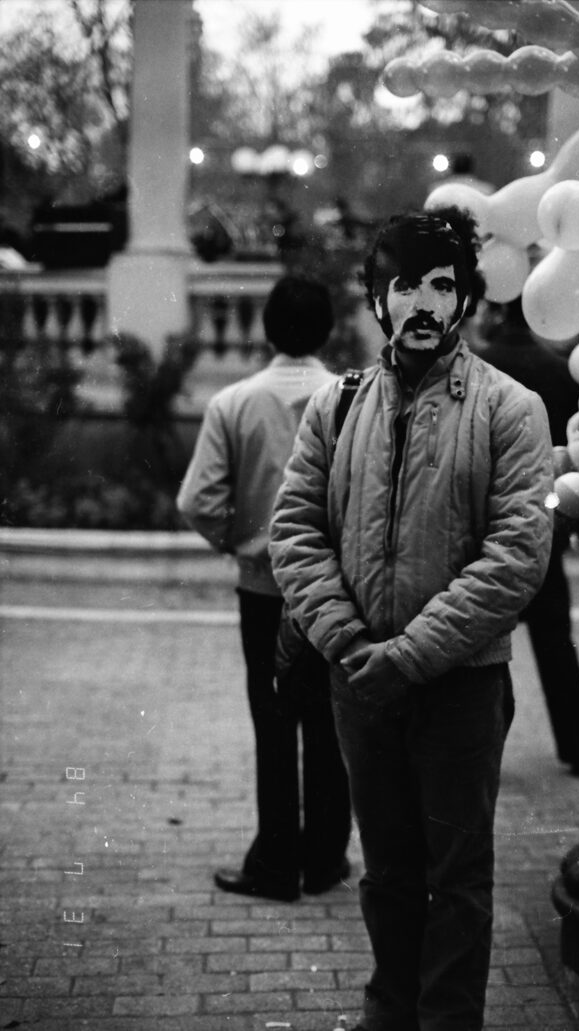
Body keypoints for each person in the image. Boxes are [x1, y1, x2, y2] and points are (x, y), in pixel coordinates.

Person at [269, 209, 554, 1031]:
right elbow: (293, 529)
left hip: (461, 686)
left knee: (458, 875)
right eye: (407, 284)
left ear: (465, 299)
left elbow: (517, 555)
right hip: (361, 682)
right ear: (378, 300)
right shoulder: (336, 403)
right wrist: (354, 645)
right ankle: (390, 1010)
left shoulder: (512, 408)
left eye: (442, 284)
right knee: (388, 868)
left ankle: (447, 1020)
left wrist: (412, 653)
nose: (425, 301)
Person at [177, 274, 352, 902]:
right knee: (332, 723)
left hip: (263, 588)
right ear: (327, 329)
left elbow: (198, 499)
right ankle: (326, 858)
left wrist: (239, 545)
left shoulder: (234, 403)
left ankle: (275, 861)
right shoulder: (351, 400)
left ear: (267, 329)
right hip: (334, 590)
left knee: (274, 721)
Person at [474, 298, 579, 776]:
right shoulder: (557, 368)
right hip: (542, 524)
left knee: (482, 651)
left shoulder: (482, 368)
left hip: (489, 529)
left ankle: (482, 749)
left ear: (493, 312)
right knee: (556, 645)